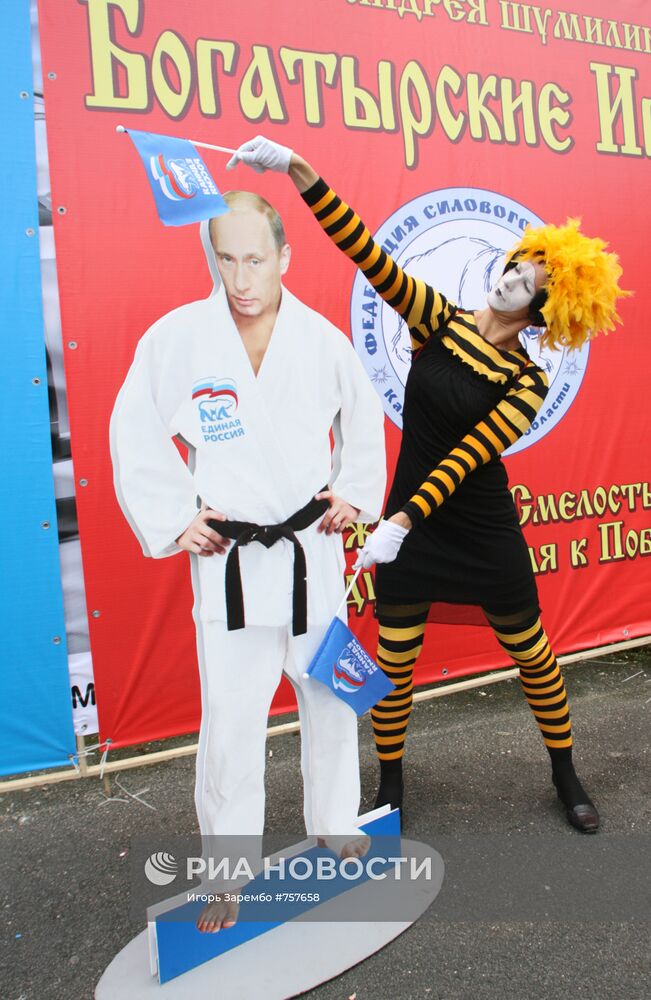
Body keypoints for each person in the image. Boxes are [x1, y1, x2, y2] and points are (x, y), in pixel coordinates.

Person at [227, 135, 630, 834]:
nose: (512, 277)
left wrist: (400, 522)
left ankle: (565, 772)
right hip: (409, 524)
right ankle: (391, 783)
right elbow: (367, 253)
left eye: (531, 281)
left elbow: (469, 456)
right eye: (517, 265)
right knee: (394, 657)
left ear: (545, 310)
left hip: (474, 526)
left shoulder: (526, 379)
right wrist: (298, 168)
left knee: (532, 652)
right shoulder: (436, 320)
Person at [110, 190, 386, 931]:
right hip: (231, 561)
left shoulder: (323, 341)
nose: (240, 278)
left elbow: (362, 424)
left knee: (330, 697)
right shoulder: (178, 339)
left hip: (309, 552)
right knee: (232, 722)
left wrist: (355, 494)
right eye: (225, 259)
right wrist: (176, 516)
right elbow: (134, 430)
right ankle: (228, 874)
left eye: (254, 259)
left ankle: (335, 821)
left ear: (284, 257)